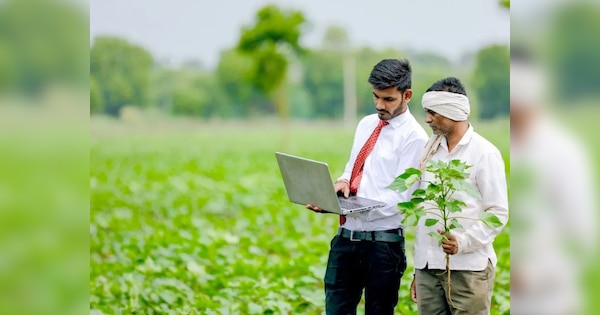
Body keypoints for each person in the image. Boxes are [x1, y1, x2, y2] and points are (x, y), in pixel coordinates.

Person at [307, 58, 428, 314]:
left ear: (407, 95)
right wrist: (340, 186)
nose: (379, 105)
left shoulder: (414, 137)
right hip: (346, 240)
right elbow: (353, 168)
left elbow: (400, 197)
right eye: (375, 97)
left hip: (382, 247)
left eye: (388, 99)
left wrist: (349, 207)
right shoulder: (366, 124)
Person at [410, 77, 508, 315]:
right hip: (428, 269)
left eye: (433, 112)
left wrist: (462, 242)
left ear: (453, 110)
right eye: (426, 112)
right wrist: (417, 271)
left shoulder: (484, 153)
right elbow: (423, 209)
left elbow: (498, 213)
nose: (427, 119)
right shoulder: (429, 150)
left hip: (468, 270)